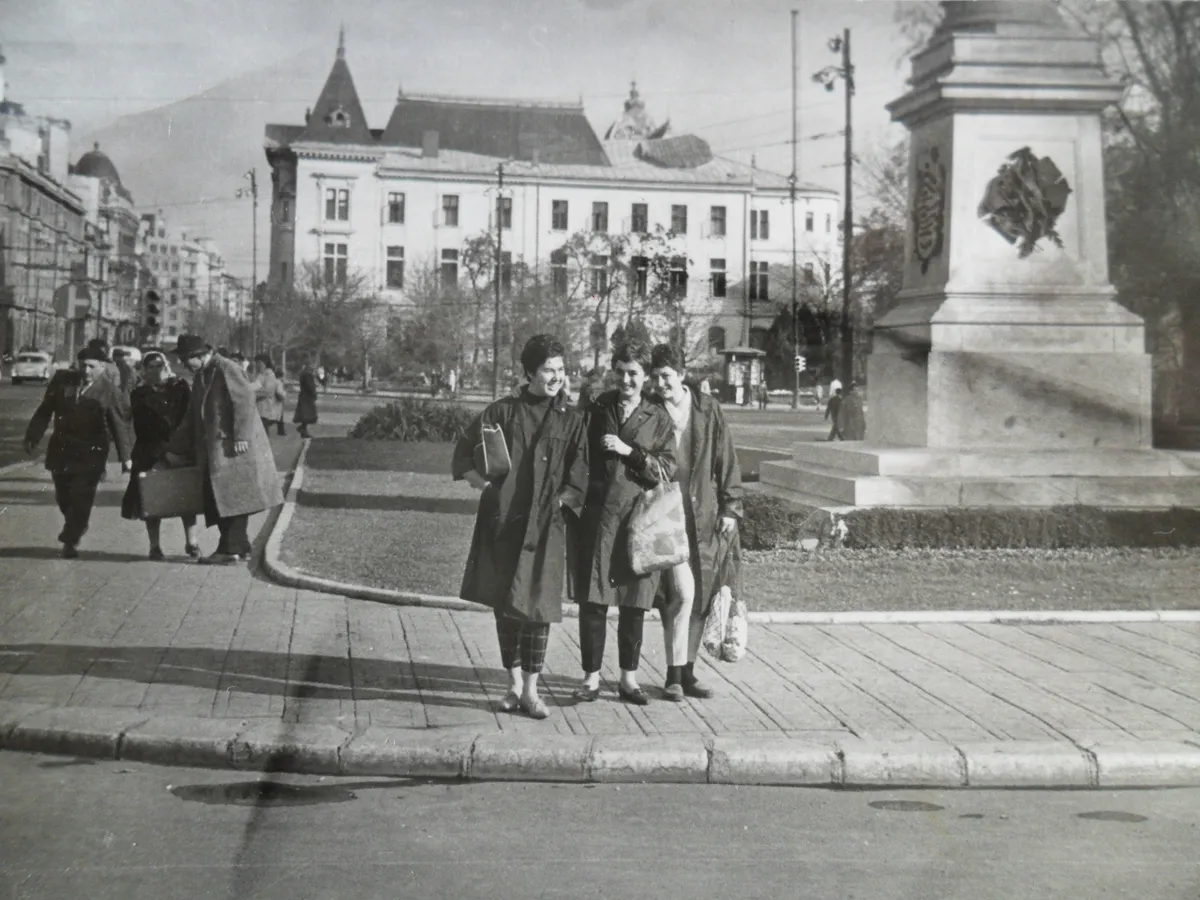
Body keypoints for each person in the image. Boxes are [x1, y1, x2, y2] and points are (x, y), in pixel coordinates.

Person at [452, 334, 588, 720]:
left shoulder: (571, 419)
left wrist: (560, 502)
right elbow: (464, 454)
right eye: (548, 369)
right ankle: (513, 685)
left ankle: (532, 690)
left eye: (561, 369)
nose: (557, 376)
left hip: (547, 528)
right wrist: (486, 487)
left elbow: (579, 476)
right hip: (504, 525)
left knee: (539, 610)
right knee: (505, 607)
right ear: (529, 372)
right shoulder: (502, 413)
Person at [573, 340, 677, 706]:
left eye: (634, 373)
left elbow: (667, 469)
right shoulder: (599, 407)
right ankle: (589, 678)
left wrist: (628, 451)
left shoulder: (658, 416)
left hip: (640, 521)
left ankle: (628, 680)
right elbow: (578, 450)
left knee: (635, 602)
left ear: (645, 376)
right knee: (594, 599)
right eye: (621, 371)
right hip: (600, 518)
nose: (626, 379)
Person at [648, 344, 743, 701]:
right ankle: (673, 674)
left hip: (703, 515)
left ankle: (687, 673)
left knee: (701, 596)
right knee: (681, 595)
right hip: (664, 515)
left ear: (682, 374)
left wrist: (730, 509)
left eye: (666, 376)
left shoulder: (707, 409)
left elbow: (727, 459)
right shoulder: (649, 409)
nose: (660, 383)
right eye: (655, 376)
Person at [164, 334, 284, 565]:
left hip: (233, 447)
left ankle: (229, 550)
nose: (184, 365)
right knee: (223, 496)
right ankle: (241, 546)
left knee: (232, 497)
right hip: (216, 448)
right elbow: (192, 416)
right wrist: (172, 447)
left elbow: (244, 400)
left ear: (197, 356)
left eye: (185, 360)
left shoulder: (225, 368)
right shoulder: (203, 374)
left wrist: (240, 436)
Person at [23, 345, 133, 558]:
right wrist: (32, 436)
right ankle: (75, 525)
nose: (86, 370)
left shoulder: (109, 390)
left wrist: (125, 457)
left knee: (81, 496)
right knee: (64, 497)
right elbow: (45, 410)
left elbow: (118, 424)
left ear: (102, 366)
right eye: (82, 365)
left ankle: (70, 539)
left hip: (91, 452)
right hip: (61, 450)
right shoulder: (63, 381)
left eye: (92, 366)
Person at [121, 350, 200, 560]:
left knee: (186, 498)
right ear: (144, 370)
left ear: (166, 365)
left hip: (180, 449)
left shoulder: (180, 386)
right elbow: (142, 425)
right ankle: (154, 546)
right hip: (150, 451)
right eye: (151, 366)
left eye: (160, 365)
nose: (157, 370)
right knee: (151, 498)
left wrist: (178, 448)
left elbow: (188, 417)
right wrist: (160, 453)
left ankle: (192, 542)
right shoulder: (139, 393)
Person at [251, 354, 285, 436]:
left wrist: (252, 396)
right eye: (256, 363)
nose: (257, 365)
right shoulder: (261, 375)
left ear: (264, 363)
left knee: (263, 434)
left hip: (265, 409)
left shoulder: (269, 375)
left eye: (258, 363)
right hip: (260, 409)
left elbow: (267, 392)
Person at [294, 361, 319, 438]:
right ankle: (302, 428)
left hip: (303, 396)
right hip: (307, 397)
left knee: (305, 414)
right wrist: (314, 394)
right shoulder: (308, 375)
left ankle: (303, 430)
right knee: (307, 414)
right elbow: (310, 386)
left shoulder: (303, 374)